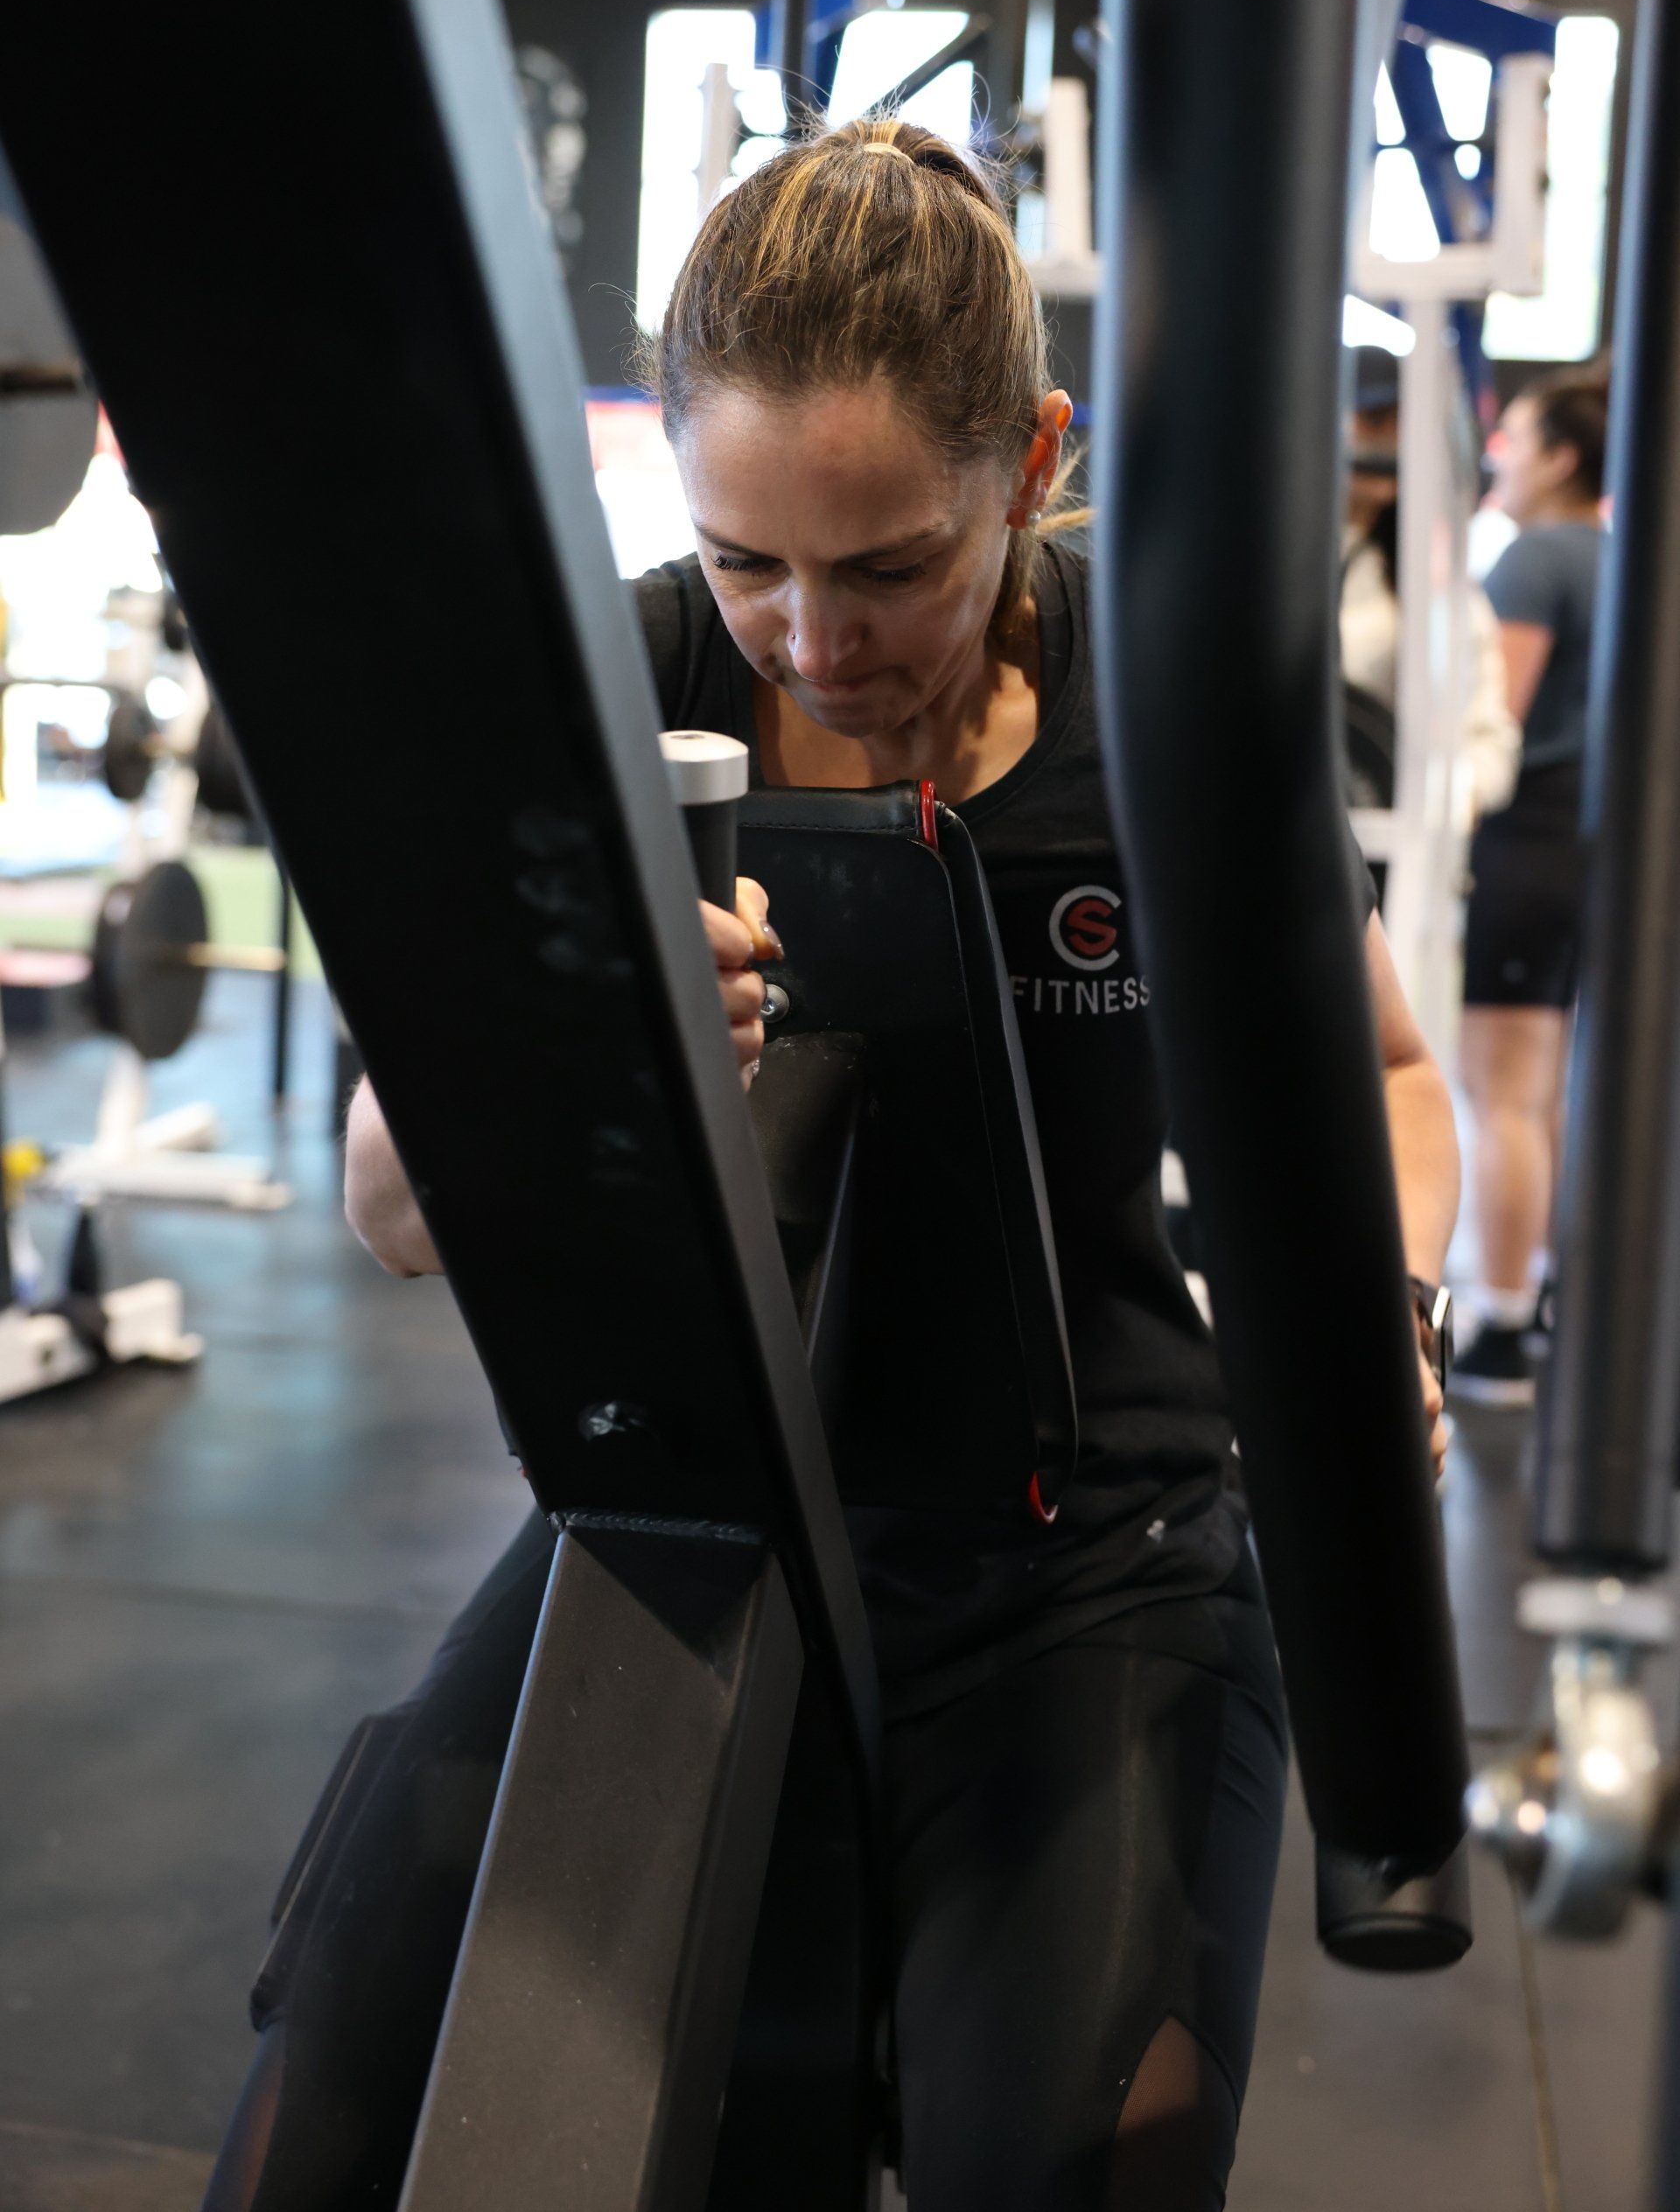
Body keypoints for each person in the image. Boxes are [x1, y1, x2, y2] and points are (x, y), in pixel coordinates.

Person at [203, 121, 1459, 2212]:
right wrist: (568, 1045)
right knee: (327, 2117)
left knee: (1071, 2162)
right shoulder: (615, 686)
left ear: (1030, 460)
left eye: (887, 567)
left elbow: (1394, 1077)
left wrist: (1381, 1312)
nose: (811, 638)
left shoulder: (1159, 709)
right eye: (745, 562)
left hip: (1096, 1558)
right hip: (689, 1522)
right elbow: (386, 1211)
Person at [1455, 369, 1609, 1404]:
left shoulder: (1537, 558)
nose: (1498, 455)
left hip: (1528, 840)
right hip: (1590, 842)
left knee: (1503, 1088)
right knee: (1541, 1086)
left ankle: (1501, 1332)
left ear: (1560, 457)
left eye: (1513, 438)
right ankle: (1542, 1292)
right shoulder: (1615, 554)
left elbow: (1492, 720)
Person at [1338, 352, 1521, 830]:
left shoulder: (1431, 575)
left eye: (1409, 427)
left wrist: (1450, 802)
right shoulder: (1274, 566)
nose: (1394, 443)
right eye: (1376, 420)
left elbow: (1487, 735)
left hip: (1387, 840)